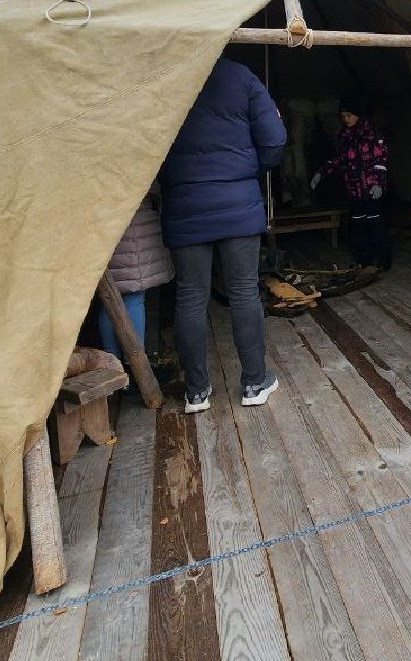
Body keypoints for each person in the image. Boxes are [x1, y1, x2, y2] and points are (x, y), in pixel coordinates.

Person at [159, 56, 286, 413]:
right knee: (245, 289)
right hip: (238, 203)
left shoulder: (166, 74)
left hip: (184, 205)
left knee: (190, 297)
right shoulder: (241, 76)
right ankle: (254, 383)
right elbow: (275, 141)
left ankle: (196, 392)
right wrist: (242, 171)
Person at [311, 93, 392, 270]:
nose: (346, 119)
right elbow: (339, 160)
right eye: (343, 116)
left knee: (376, 225)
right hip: (354, 190)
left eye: (349, 115)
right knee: (358, 227)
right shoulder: (344, 136)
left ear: (359, 114)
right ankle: (363, 259)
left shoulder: (372, 135)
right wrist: (321, 172)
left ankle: (383, 259)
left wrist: (378, 183)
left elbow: (381, 161)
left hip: (371, 191)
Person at [98, 193, 175, 358]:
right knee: (134, 296)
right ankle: (134, 359)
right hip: (136, 225)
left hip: (102, 224)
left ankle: (111, 361)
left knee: (108, 298)